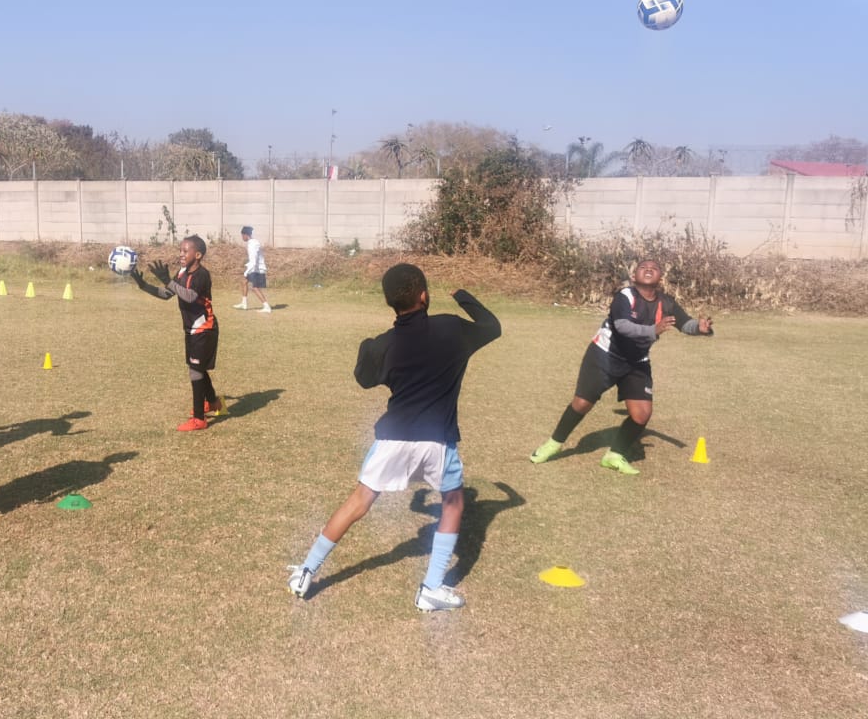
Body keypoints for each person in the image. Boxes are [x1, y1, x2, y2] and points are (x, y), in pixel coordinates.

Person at [287, 263, 501, 611]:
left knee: (359, 502)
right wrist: (462, 295)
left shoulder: (384, 345)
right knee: (453, 502)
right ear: (424, 295)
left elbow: (363, 378)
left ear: (390, 301)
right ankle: (431, 588)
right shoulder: (451, 329)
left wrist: (366, 346)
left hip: (393, 440)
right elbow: (492, 327)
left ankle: (306, 571)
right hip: (438, 441)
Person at [529, 258, 714, 475]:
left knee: (641, 414)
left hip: (637, 362)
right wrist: (653, 330)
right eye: (643, 267)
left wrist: (700, 328)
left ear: (660, 278)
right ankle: (554, 443)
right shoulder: (624, 296)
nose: (648, 269)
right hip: (605, 355)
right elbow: (622, 326)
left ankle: (614, 455)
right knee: (581, 404)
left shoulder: (666, 303)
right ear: (634, 276)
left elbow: (685, 324)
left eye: (654, 268)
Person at [131, 235, 224, 431]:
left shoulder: (202, 275)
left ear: (197, 255)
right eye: (180, 250)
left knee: (195, 370)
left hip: (204, 328)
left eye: (185, 251)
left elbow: (190, 296)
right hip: (191, 329)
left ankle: (199, 419)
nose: (181, 254)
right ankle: (213, 402)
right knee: (197, 367)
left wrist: (167, 280)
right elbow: (167, 294)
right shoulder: (182, 273)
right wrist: (144, 285)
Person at [232, 225, 271, 313]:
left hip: (257, 269)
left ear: (246, 235)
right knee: (244, 282)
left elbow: (253, 260)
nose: (242, 237)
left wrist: (247, 272)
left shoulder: (252, 244)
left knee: (255, 288)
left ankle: (266, 306)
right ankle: (244, 304)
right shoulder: (252, 243)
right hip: (254, 268)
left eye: (242, 235)